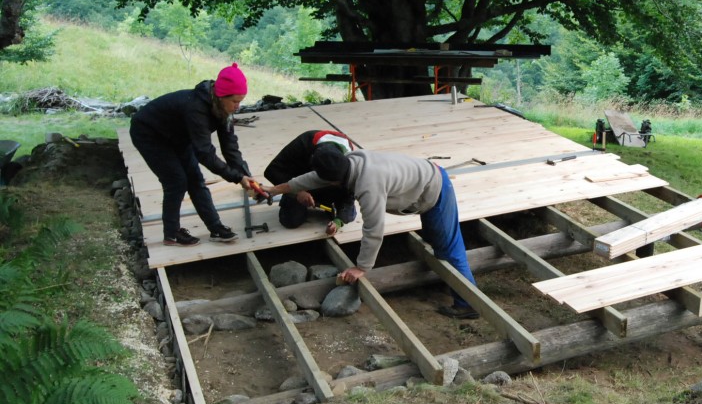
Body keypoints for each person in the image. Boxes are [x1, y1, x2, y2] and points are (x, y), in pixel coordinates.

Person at [262, 146, 480, 320]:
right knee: (436, 242)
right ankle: (447, 281)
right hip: (422, 182)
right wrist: (275, 189)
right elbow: (311, 179)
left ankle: (468, 305)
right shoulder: (349, 162)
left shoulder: (369, 184)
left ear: (333, 180)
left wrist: (361, 267)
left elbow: (374, 229)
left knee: (451, 251)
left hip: (436, 189)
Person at [129, 63, 255, 247]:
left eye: (241, 101)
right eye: (235, 101)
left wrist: (245, 176)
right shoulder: (196, 108)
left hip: (178, 135)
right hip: (149, 134)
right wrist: (235, 177)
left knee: (196, 180)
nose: (238, 106)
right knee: (176, 181)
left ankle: (216, 228)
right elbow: (204, 152)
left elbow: (230, 147)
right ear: (221, 96)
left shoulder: (223, 109)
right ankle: (171, 234)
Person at [263, 130, 358, 229]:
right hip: (297, 184)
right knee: (290, 220)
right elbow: (272, 170)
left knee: (346, 214)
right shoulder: (302, 144)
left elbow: (349, 195)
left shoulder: (351, 159)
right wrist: (298, 192)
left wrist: (339, 221)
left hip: (331, 188)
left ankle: (328, 202)